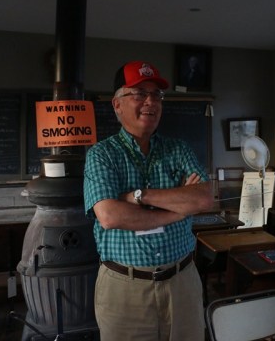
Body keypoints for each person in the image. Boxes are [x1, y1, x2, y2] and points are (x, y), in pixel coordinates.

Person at [83, 61, 214, 341]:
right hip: (125, 289)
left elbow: (204, 198)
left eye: (156, 94)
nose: (150, 101)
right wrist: (178, 210)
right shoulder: (101, 155)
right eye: (140, 93)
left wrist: (138, 196)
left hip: (182, 283)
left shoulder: (178, 149)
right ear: (117, 104)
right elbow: (110, 216)